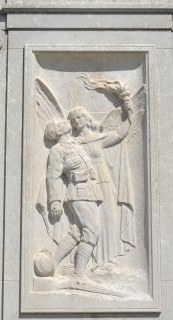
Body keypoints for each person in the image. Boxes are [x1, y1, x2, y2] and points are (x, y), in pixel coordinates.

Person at [67, 80, 140, 269]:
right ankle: (90, 262)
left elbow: (119, 135)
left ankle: (107, 260)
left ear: (86, 118)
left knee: (110, 218)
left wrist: (129, 114)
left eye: (79, 117)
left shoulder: (97, 139)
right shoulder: (73, 143)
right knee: (91, 224)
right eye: (73, 119)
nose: (76, 121)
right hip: (86, 186)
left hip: (104, 182)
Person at [44, 120, 103, 280]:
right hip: (78, 191)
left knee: (77, 232)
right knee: (92, 230)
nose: (65, 122)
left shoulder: (76, 145)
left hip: (90, 191)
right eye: (59, 124)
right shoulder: (57, 150)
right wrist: (55, 201)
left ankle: (52, 265)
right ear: (56, 132)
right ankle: (79, 274)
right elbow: (53, 176)